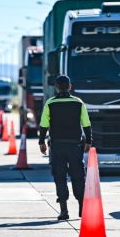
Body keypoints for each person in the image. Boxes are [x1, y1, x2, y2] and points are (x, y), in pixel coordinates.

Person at [39, 75, 92, 220]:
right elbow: (86, 124)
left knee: (60, 178)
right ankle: (82, 208)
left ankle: (64, 211)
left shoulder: (50, 103)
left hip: (57, 146)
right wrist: (89, 141)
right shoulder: (78, 102)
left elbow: (44, 124)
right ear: (70, 86)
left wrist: (41, 142)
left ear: (56, 87)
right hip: (75, 146)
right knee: (78, 177)